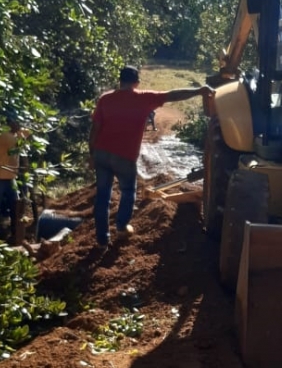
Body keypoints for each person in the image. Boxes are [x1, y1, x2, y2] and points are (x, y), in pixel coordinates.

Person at [89, 65, 213, 248]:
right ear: (136, 83)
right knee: (128, 191)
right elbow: (173, 94)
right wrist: (199, 90)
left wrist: (91, 154)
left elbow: (95, 129)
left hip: (101, 153)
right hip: (124, 156)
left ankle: (102, 239)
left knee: (102, 196)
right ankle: (122, 227)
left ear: (120, 80)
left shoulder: (105, 99)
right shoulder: (144, 98)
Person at [0, 110, 29, 240]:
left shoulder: (13, 134)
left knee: (15, 204)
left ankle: (14, 234)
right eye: (15, 122)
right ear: (9, 123)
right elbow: (21, 140)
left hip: (9, 177)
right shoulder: (4, 135)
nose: (18, 125)